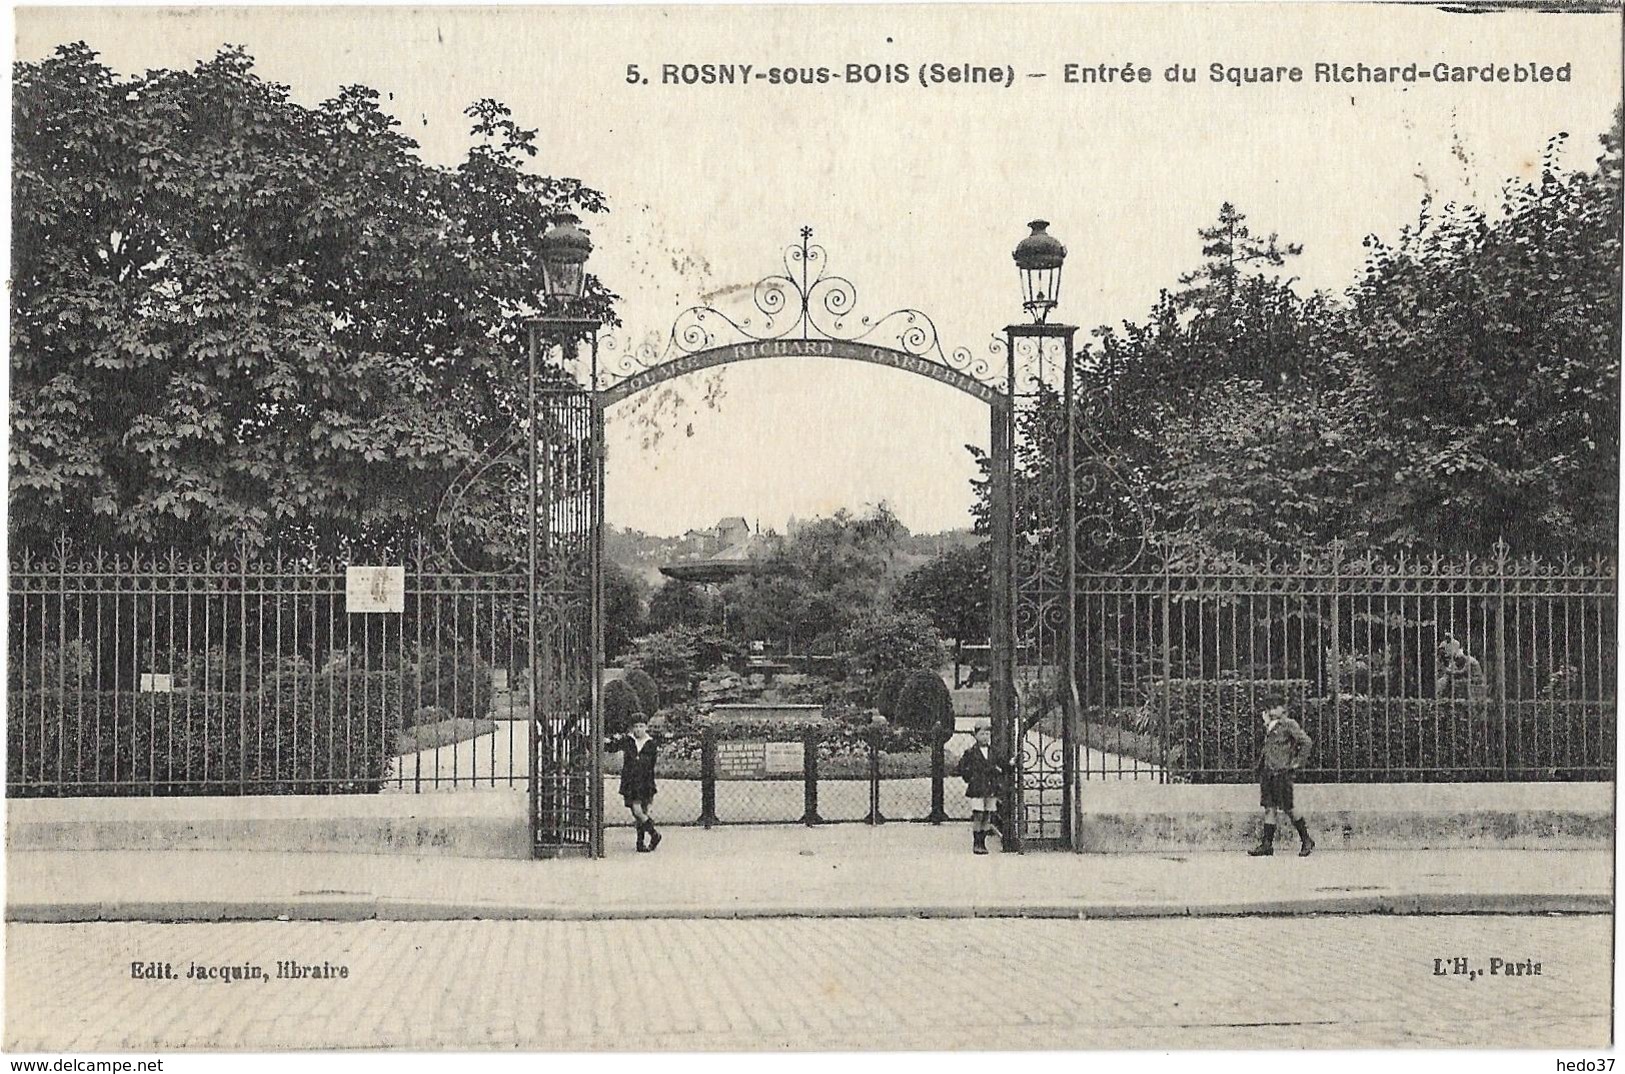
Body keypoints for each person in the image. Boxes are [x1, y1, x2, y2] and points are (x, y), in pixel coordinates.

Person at [1250, 703, 1315, 857]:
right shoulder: (1269, 726)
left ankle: (1306, 839)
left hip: (1282, 772)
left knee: (1289, 808)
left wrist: (1297, 762)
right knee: (1269, 807)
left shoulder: (1289, 724)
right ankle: (1267, 844)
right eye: (1269, 708)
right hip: (1268, 772)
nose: (1271, 711)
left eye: (1275, 707)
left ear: (1283, 709)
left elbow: (1306, 742)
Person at [608, 714, 662, 852]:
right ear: (632, 728)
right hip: (630, 782)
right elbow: (612, 747)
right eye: (636, 727)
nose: (638, 729)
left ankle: (647, 838)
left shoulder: (651, 744)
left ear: (646, 727)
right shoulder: (628, 741)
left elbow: (650, 764)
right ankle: (650, 836)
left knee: (640, 811)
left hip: (645, 782)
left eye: (641, 726)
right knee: (637, 812)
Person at [955, 718, 1009, 855]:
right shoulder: (971, 752)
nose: (985, 737)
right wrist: (970, 777)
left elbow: (1002, 763)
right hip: (978, 788)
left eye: (987, 734)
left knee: (988, 814)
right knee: (978, 814)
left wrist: (1009, 764)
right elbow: (962, 768)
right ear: (976, 735)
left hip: (990, 788)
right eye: (982, 734)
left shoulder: (993, 751)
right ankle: (977, 843)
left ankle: (983, 842)